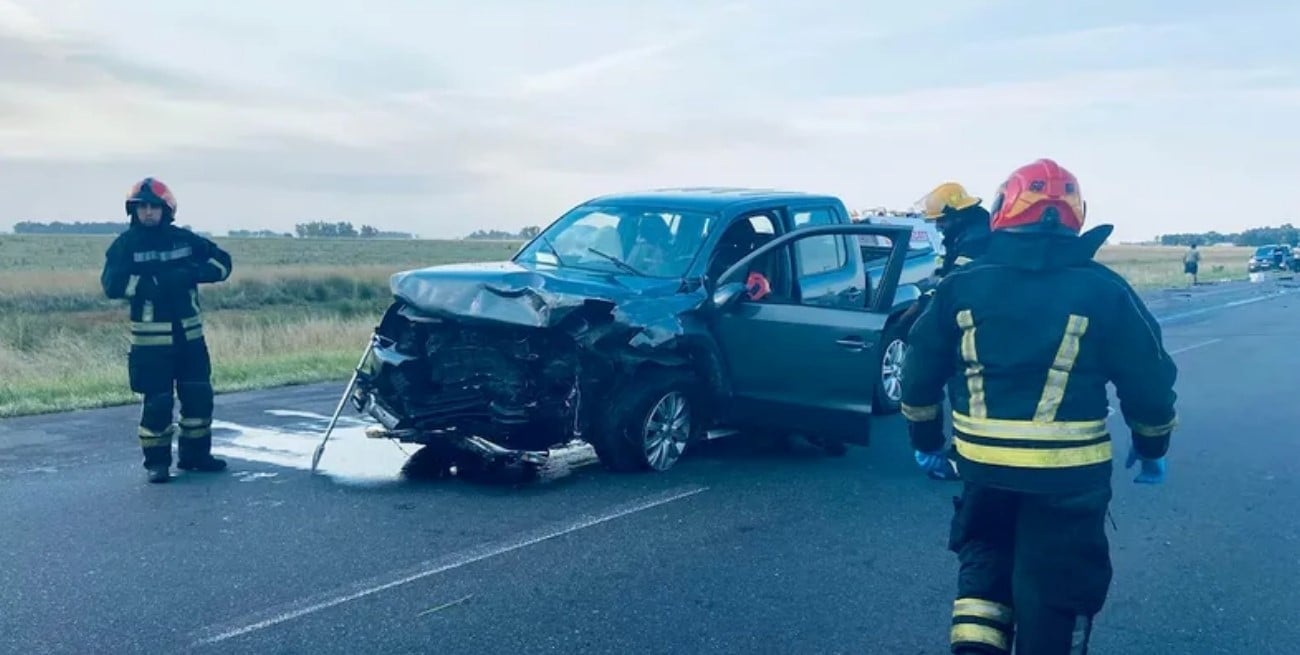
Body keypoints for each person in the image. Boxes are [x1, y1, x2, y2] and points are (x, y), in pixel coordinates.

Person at [900, 158, 1178, 654]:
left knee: (984, 571)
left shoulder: (960, 286)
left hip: (984, 469)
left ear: (1004, 210)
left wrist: (925, 442)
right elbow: (1150, 380)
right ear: (1076, 216)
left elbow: (918, 376)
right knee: (1059, 593)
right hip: (1069, 480)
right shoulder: (1104, 289)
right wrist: (1152, 444)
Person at [100, 177, 234, 483]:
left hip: (190, 338)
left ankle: (196, 456)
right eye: (142, 207)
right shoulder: (124, 246)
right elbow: (111, 286)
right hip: (150, 344)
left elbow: (223, 264)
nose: (148, 213)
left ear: (167, 209)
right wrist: (151, 285)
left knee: (199, 398)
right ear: (133, 211)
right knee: (158, 403)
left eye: (154, 207)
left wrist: (191, 274)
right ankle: (157, 464)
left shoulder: (184, 240)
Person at [903, 182, 993, 481]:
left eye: (942, 220)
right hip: (968, 320)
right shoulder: (964, 235)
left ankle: (964, 457)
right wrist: (923, 296)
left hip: (974, 326)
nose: (939, 227)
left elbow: (954, 285)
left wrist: (921, 309)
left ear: (958, 213)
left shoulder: (977, 241)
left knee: (965, 388)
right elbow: (942, 276)